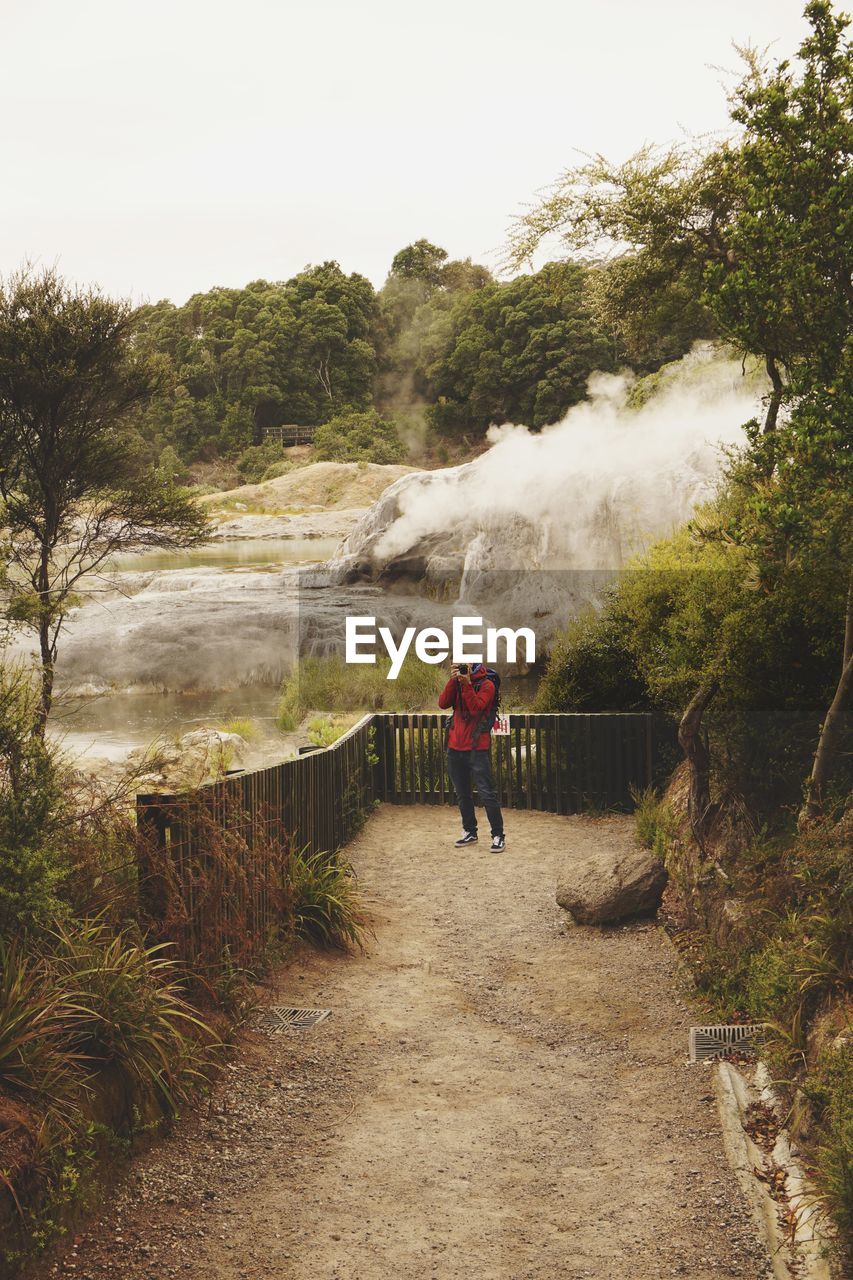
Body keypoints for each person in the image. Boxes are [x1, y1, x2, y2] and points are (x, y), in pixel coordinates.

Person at [438, 660, 506, 852]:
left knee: (487, 794)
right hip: (455, 747)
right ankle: (470, 832)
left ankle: (498, 835)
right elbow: (443, 703)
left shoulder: (487, 685)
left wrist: (467, 684)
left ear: (473, 664)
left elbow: (475, 709)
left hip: (477, 748)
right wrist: (454, 681)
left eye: (464, 664)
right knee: (463, 794)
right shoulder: (458, 683)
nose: (460, 667)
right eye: (457, 664)